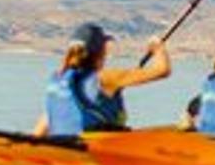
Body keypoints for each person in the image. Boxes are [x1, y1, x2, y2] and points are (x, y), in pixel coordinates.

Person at [34, 22, 171, 135]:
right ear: (101, 51)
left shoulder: (61, 80)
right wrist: (158, 48)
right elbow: (163, 70)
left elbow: (44, 124)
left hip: (67, 149)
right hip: (96, 151)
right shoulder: (107, 78)